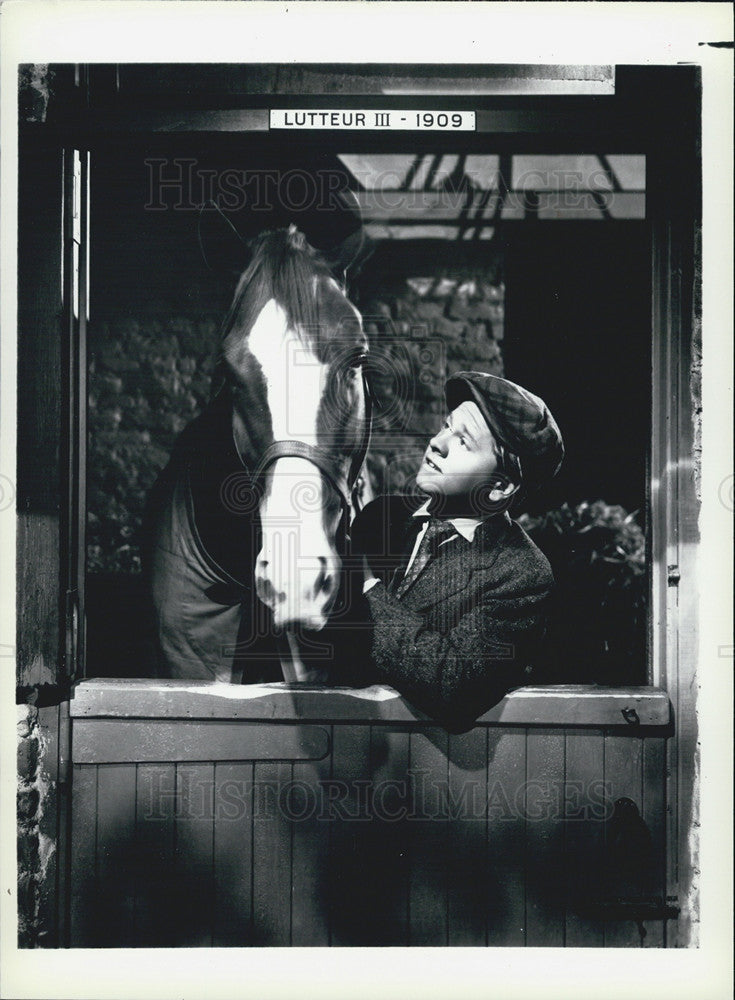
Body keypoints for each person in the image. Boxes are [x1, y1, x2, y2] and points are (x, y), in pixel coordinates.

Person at [343, 370, 564, 732]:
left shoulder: (521, 573)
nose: (437, 443)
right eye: (446, 426)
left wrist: (366, 586)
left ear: (500, 486)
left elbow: (455, 685)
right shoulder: (379, 517)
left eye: (463, 442)